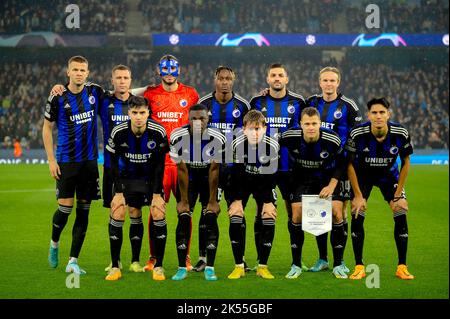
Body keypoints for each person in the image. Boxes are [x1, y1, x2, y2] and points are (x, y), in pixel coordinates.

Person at [133, 54, 199, 272]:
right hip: (159, 164)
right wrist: (142, 88)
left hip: (183, 163)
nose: (169, 73)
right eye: (165, 69)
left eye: (172, 69)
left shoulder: (191, 94)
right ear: (158, 71)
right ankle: (153, 258)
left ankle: (186, 257)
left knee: (185, 211)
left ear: (178, 71)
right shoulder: (151, 93)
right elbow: (125, 95)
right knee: (156, 210)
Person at [44, 55, 103, 274]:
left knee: (84, 211)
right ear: (68, 72)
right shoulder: (57, 97)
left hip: (89, 163)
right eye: (75, 69)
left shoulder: (94, 92)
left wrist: (150, 88)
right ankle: (54, 243)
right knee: (65, 208)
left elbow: (121, 95)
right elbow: (46, 128)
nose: (79, 73)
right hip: (66, 161)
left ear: (88, 73)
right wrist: (51, 160)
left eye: (83, 70)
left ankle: (73, 261)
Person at [345, 97, 414, 280]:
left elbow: (406, 163)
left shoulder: (400, 132)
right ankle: (359, 266)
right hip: (363, 177)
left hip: (389, 176)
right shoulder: (357, 133)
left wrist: (398, 194)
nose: (378, 116)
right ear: (368, 115)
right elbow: (349, 165)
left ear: (388, 114)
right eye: (374, 113)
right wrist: (358, 195)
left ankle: (402, 266)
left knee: (400, 212)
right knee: (357, 212)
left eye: (382, 112)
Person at [250, 63, 307, 271]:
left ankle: (296, 261)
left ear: (287, 78)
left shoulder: (299, 101)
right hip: (264, 167)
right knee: (261, 210)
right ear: (267, 79)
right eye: (273, 75)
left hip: (291, 167)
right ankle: (260, 259)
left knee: (295, 213)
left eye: (280, 75)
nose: (277, 78)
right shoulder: (257, 101)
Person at [105, 96, 168, 281]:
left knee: (158, 212)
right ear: (129, 113)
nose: (139, 117)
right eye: (134, 113)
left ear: (148, 113)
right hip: (126, 178)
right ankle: (115, 266)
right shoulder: (119, 132)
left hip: (149, 179)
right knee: (118, 212)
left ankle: (159, 266)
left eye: (142, 113)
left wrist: (157, 194)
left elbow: (160, 165)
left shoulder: (158, 131)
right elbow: (113, 164)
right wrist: (117, 192)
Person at [279, 107, 348, 279]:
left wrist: (332, 185)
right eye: (307, 124)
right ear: (300, 124)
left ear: (320, 124)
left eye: (314, 123)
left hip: (327, 179)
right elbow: (275, 152)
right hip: (302, 179)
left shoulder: (332, 139)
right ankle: (296, 264)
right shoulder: (289, 136)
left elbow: (342, 163)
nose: (311, 127)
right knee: (296, 215)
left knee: (336, 213)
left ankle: (338, 264)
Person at [194, 66, 250, 272]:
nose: (225, 82)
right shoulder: (204, 104)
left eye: (228, 78)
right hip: (210, 169)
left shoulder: (243, 105)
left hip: (236, 169)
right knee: (207, 211)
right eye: (221, 78)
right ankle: (203, 257)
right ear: (215, 79)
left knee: (238, 212)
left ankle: (241, 259)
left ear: (233, 79)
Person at [306, 66, 362, 273]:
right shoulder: (311, 102)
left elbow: (354, 140)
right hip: (315, 168)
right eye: (325, 80)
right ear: (320, 82)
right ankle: (322, 259)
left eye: (332, 81)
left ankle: (340, 261)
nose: (329, 84)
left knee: (339, 213)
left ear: (338, 82)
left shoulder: (349, 106)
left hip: (341, 166)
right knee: (318, 214)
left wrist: (341, 172)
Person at [169, 104, 225, 281]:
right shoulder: (178, 136)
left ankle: (210, 267)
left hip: (209, 179)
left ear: (208, 119)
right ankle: (181, 267)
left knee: (210, 216)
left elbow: (215, 170)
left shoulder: (218, 137)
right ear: (188, 119)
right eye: (194, 119)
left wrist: (212, 200)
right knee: (184, 216)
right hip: (190, 179)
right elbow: (182, 169)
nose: (198, 122)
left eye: (202, 118)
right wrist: (183, 200)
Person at [100, 65, 146, 274]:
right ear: (112, 80)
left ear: (130, 80)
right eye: (118, 77)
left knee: (135, 212)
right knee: (116, 212)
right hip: (112, 168)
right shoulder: (104, 102)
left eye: (125, 77)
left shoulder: (137, 103)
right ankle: (115, 261)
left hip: (136, 168)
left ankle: (135, 260)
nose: (121, 81)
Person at [227, 110, 279, 280]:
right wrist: (236, 200)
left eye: (258, 129)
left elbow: (270, 177)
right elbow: (235, 175)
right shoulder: (236, 144)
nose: (255, 133)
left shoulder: (272, 146)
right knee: (235, 215)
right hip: (242, 183)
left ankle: (262, 266)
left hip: (264, 182)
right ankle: (238, 266)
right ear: (243, 130)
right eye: (251, 129)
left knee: (268, 215)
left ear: (265, 129)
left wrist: (268, 201)